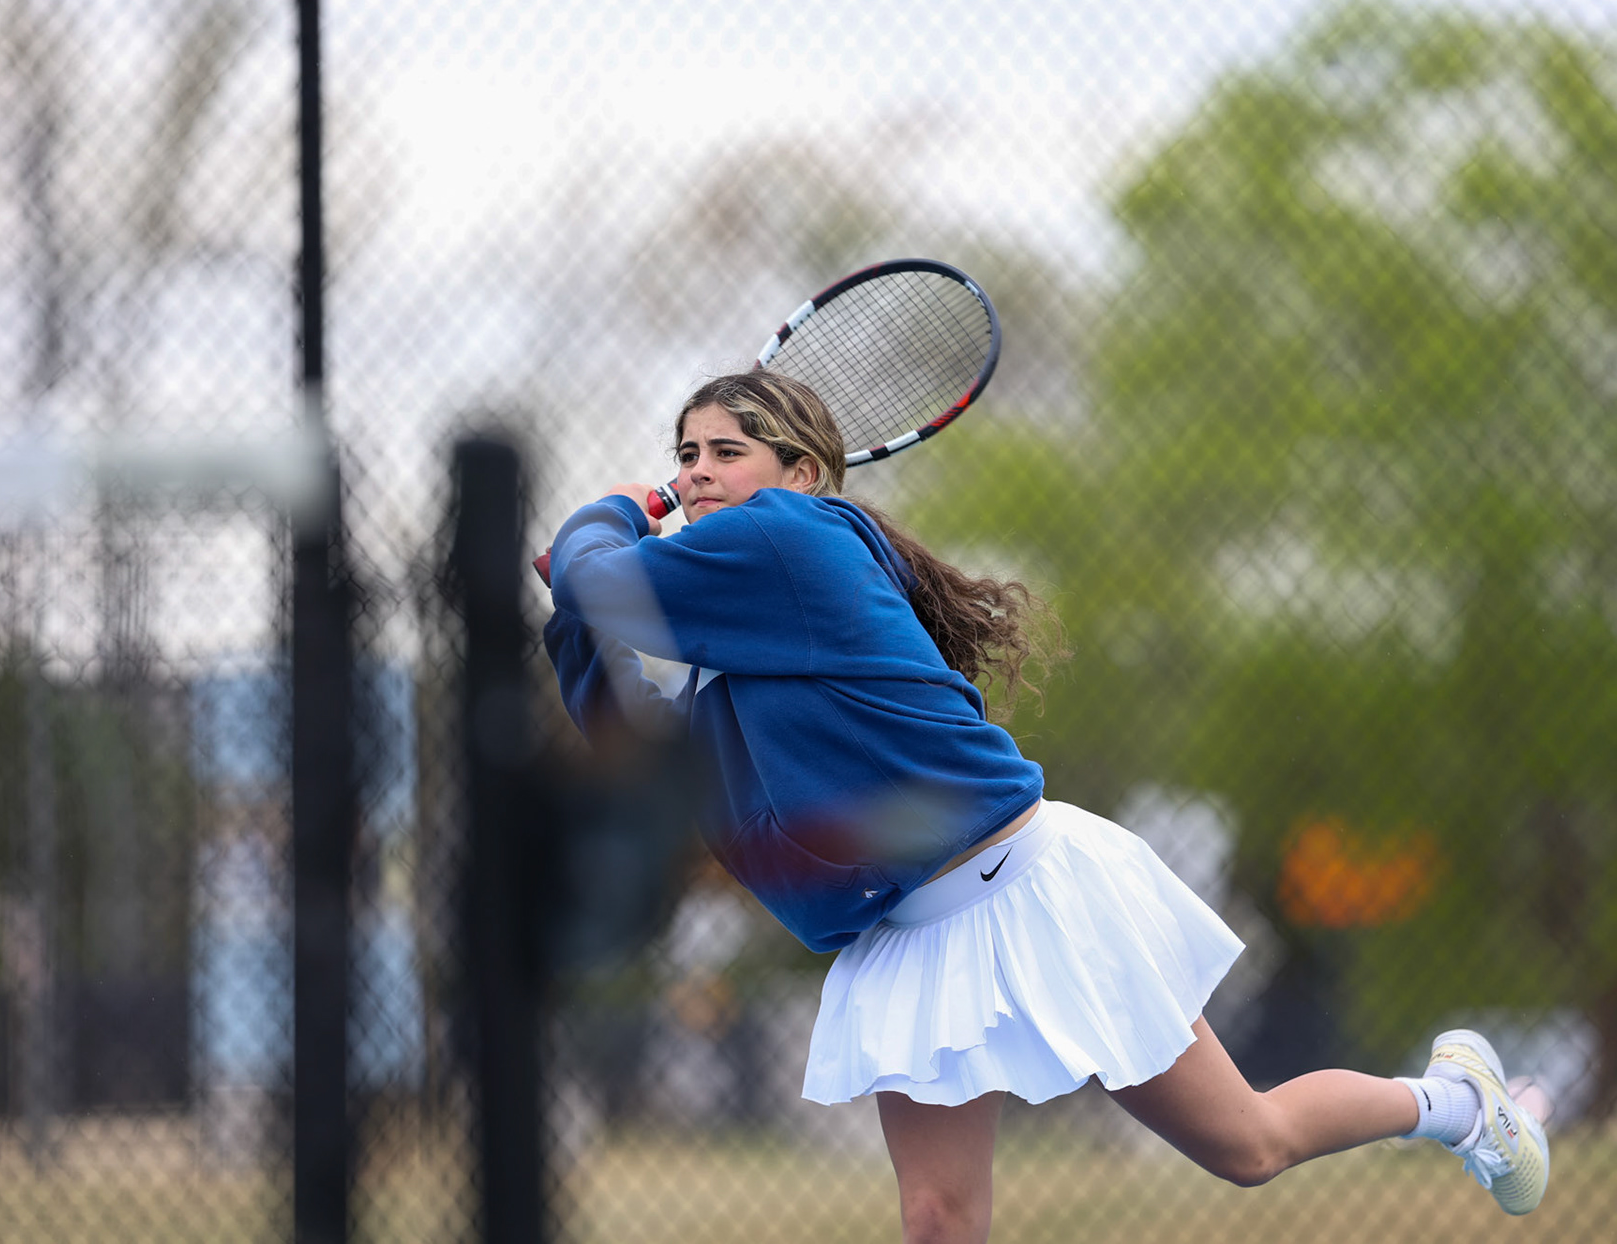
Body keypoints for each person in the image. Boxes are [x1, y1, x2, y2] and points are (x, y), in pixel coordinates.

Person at [542, 369, 1550, 1243]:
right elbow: (623, 727)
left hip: (1027, 888)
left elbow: (608, 582)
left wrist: (606, 519)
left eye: (729, 449)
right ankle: (1457, 1101)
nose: (699, 469)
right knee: (938, 1219)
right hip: (904, 931)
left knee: (1248, 1143)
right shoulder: (717, 606)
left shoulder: (788, 536)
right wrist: (570, 612)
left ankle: (1458, 1102)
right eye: (686, 452)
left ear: (802, 473)